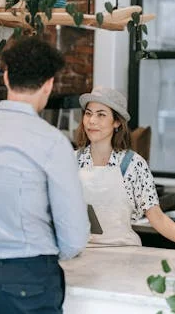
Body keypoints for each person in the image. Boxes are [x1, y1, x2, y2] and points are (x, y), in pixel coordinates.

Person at [0, 37, 90, 314]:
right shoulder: (52, 143)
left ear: (7, 78)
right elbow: (74, 237)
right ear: (48, 84)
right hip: (30, 276)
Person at [75, 85, 175, 246]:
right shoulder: (72, 162)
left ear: (116, 122)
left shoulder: (133, 165)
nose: (92, 121)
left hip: (124, 254)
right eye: (88, 114)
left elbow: (157, 218)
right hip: (82, 252)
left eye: (101, 115)